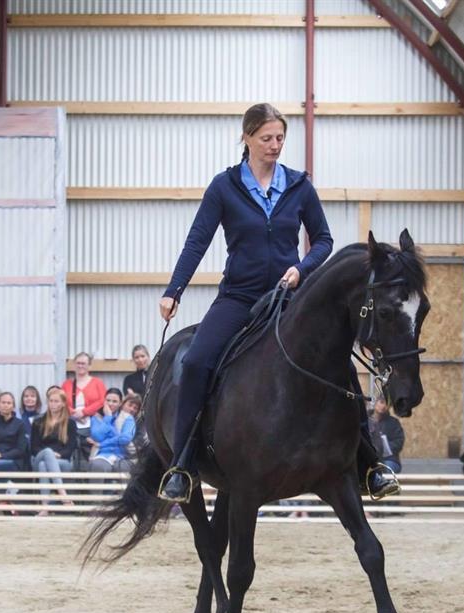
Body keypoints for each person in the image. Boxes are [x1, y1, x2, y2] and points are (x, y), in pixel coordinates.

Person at [156, 102, 400, 504]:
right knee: (198, 360)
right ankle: (181, 465)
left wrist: (302, 270)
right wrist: (173, 290)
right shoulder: (224, 187)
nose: (275, 145)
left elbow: (323, 239)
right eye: (267, 138)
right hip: (239, 296)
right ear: (247, 138)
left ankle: (369, 464)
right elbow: (197, 240)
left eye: (280, 138)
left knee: (339, 363)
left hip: (290, 295)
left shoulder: (299, 186)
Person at [29, 387, 75, 514]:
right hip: (39, 457)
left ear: (63, 404)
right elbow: (34, 448)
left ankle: (45, 506)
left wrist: (57, 456)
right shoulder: (38, 422)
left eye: (56, 401)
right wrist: (49, 454)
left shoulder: (70, 423)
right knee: (47, 453)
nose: (53, 404)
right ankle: (63, 496)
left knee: (45, 465)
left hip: (62, 461)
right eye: (51, 401)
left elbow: (71, 448)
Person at [62, 353, 107, 467]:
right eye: (78, 363)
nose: (80, 366)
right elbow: (61, 402)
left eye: (83, 363)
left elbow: (102, 400)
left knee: (90, 451)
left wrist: (84, 412)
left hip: (93, 423)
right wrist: (74, 413)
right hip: (73, 423)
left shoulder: (97, 382)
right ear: (73, 365)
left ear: (89, 366)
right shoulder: (67, 384)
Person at [89, 389, 138, 473]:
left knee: (123, 467)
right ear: (104, 401)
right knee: (99, 466)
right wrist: (108, 417)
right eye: (108, 400)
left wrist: (102, 444)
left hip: (123, 454)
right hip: (102, 454)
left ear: (120, 403)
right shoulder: (96, 417)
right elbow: (97, 436)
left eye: (114, 401)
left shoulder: (127, 418)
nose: (110, 404)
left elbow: (125, 439)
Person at [367, 396, 405, 474]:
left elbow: (399, 441)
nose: (384, 406)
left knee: (388, 468)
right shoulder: (365, 421)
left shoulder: (394, 423)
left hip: (389, 459)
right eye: (381, 402)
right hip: (368, 459)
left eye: (387, 404)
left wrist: (385, 447)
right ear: (375, 402)